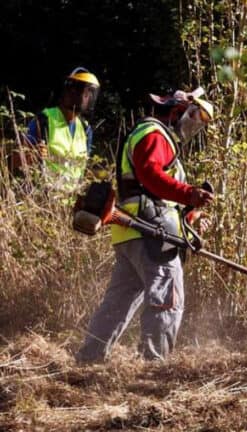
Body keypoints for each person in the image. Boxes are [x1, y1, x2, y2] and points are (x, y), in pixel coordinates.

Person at [76, 87, 215, 363]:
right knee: (167, 298)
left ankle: (88, 361)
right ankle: (154, 367)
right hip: (150, 232)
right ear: (178, 111)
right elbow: (150, 175)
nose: (194, 125)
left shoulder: (151, 135)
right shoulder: (155, 134)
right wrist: (189, 193)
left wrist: (188, 217)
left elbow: (151, 191)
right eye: (195, 116)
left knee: (118, 302)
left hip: (132, 232)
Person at [14, 67, 100, 188]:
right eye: (81, 91)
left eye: (88, 93)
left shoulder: (85, 129)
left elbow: (84, 168)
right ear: (68, 91)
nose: (84, 97)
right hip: (45, 197)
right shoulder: (45, 120)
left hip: (72, 199)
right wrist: (32, 156)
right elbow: (16, 161)